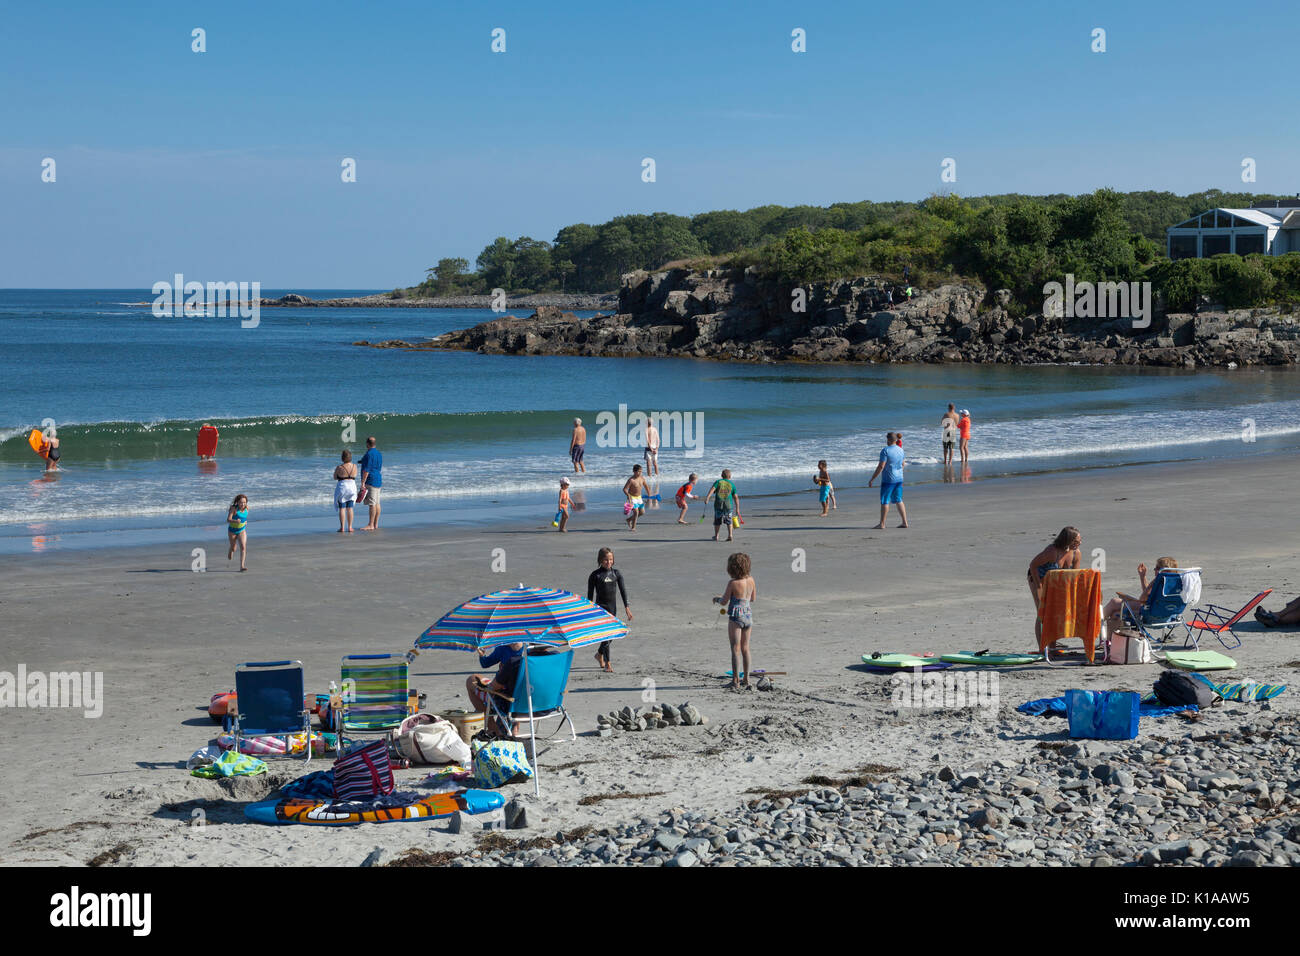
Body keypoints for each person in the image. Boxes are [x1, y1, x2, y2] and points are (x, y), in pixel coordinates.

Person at [1027, 526, 1083, 640]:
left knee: (1056, 612)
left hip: (1057, 580)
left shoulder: (1076, 553)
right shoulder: (1052, 552)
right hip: (1038, 578)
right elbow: (1033, 565)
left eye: (1080, 540)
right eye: (1076, 541)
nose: (1080, 543)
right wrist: (1039, 588)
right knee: (1042, 613)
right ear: (1067, 541)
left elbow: (1074, 576)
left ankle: (1052, 646)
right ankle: (1042, 649)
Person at [714, 552, 757, 691]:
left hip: (735, 617)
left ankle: (735, 681)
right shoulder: (751, 580)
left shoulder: (732, 583)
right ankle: (746, 679)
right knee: (746, 648)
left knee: (735, 649)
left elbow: (724, 602)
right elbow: (752, 599)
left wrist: (717, 599)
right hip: (748, 616)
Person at [465, 641, 525, 736]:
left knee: (471, 680)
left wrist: (486, 687)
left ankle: (494, 729)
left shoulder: (509, 658)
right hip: (530, 702)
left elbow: (495, 686)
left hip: (505, 700)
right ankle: (515, 727)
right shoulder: (532, 653)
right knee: (520, 687)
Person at [587, 547, 632, 672]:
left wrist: (627, 608)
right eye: (606, 560)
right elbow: (590, 596)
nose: (609, 562)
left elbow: (623, 591)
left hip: (613, 609)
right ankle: (608, 663)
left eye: (611, 559)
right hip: (600, 609)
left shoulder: (616, 574)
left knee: (611, 635)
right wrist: (589, 611)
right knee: (607, 634)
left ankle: (599, 654)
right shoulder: (595, 575)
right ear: (600, 560)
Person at [1103, 557, 1179, 625]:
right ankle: (1110, 640)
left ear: (1165, 570)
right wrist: (1143, 576)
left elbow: (1143, 599)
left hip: (1151, 615)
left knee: (1114, 602)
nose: (1154, 569)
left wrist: (1153, 582)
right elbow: (1149, 596)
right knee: (1115, 614)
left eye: (1157, 568)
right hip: (1164, 616)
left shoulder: (1160, 583)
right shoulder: (1174, 584)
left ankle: (1094, 624)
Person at [868, 433, 908, 529]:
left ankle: (882, 523)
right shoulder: (901, 450)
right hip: (899, 478)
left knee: (885, 501)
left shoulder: (885, 450)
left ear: (889, 440)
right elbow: (903, 464)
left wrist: (872, 479)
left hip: (889, 480)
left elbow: (881, 466)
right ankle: (905, 522)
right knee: (899, 500)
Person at [705, 469, 740, 542]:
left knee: (717, 521)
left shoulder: (718, 482)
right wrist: (737, 508)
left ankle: (716, 536)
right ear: (730, 476)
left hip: (718, 505)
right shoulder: (732, 484)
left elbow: (712, 489)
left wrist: (708, 497)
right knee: (729, 521)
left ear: (721, 476)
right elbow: (736, 497)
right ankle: (730, 535)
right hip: (728, 505)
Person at [357, 436, 382, 531]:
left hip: (371, 480)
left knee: (372, 504)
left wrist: (362, 483)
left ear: (367, 444)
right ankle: (375, 524)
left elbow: (366, 470)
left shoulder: (368, 454)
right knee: (377, 503)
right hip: (378, 479)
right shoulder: (379, 453)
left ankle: (370, 524)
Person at [333, 450, 358, 533]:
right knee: (350, 508)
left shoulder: (339, 467)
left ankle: (342, 527)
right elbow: (355, 475)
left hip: (343, 487)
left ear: (342, 458)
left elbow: (335, 477)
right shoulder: (355, 466)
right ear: (350, 457)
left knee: (342, 508)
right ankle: (350, 527)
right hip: (352, 486)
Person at [622, 464, 649, 531]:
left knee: (642, 512)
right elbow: (624, 489)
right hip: (632, 498)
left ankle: (629, 520)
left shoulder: (642, 478)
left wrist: (649, 494)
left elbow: (646, 486)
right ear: (634, 471)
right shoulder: (631, 480)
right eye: (638, 471)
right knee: (636, 512)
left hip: (639, 498)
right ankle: (633, 527)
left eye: (641, 471)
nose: (640, 473)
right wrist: (628, 496)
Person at [227, 494, 249, 571]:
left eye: (244, 502)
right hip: (232, 531)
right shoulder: (234, 509)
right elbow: (228, 519)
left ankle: (242, 566)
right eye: (241, 502)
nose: (242, 504)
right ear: (237, 502)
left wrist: (245, 522)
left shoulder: (247, 508)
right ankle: (231, 549)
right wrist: (235, 521)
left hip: (241, 530)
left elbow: (244, 517)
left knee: (243, 546)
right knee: (234, 548)